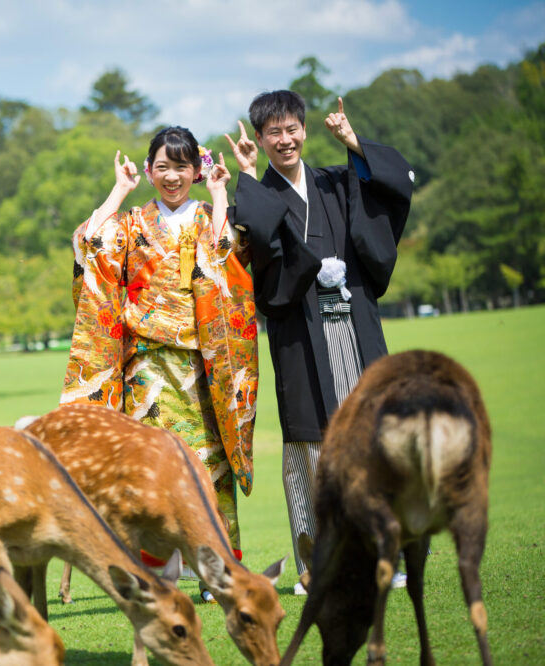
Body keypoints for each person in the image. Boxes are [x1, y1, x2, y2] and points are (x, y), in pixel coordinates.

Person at [225, 91, 414, 592]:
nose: (285, 140)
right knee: (309, 442)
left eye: (292, 129)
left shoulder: (336, 181)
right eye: (274, 133)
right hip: (300, 331)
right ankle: (316, 566)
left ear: (305, 131)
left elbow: (394, 187)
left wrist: (354, 143)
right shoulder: (262, 192)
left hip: (354, 322)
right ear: (260, 138)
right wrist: (246, 176)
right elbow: (256, 240)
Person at [61, 126, 259, 595]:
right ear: (149, 171)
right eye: (163, 167)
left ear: (196, 170)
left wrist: (221, 193)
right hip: (145, 369)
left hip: (201, 367)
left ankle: (216, 571)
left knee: (209, 468)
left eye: (182, 167)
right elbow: (90, 243)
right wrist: (119, 190)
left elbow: (226, 257)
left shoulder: (208, 214)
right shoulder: (132, 222)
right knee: (146, 471)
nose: (172, 177)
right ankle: (153, 572)